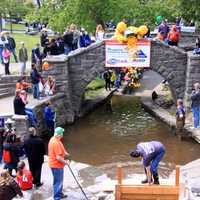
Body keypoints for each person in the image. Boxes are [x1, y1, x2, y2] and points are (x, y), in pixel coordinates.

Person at [48, 127, 70, 200]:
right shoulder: (56, 143)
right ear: (59, 134)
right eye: (62, 133)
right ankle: (57, 197)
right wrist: (66, 162)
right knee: (58, 182)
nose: (63, 134)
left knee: (57, 181)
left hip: (53, 164)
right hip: (56, 166)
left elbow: (59, 150)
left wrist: (65, 153)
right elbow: (58, 157)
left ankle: (59, 194)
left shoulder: (53, 139)